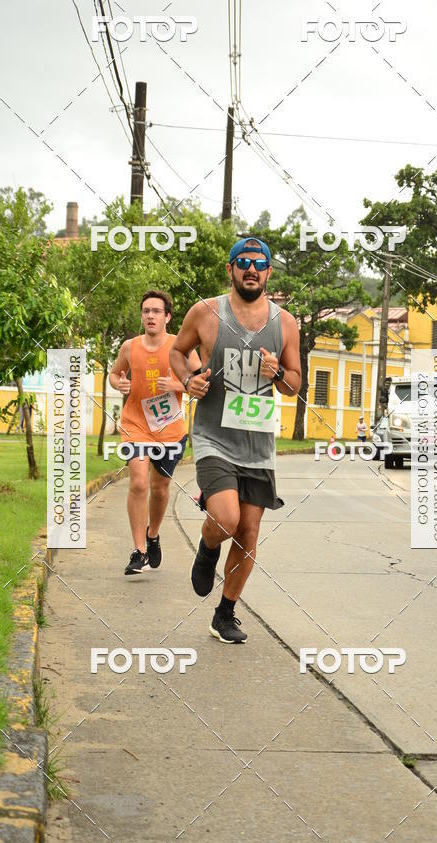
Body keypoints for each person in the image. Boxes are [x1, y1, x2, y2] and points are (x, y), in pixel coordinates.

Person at [170, 237, 301, 643]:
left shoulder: (285, 324)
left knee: (247, 532)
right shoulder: (207, 312)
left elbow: (294, 386)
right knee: (225, 519)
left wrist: (278, 372)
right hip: (213, 436)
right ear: (230, 269)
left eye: (258, 263)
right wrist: (189, 380)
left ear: (268, 273)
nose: (250, 269)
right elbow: (177, 351)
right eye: (242, 262)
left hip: (258, 445)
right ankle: (208, 548)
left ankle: (224, 614)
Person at [109, 290, 201, 575]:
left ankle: (153, 535)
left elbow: (200, 380)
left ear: (167, 317)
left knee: (160, 489)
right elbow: (114, 374)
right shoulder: (129, 347)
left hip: (170, 429)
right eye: (146, 311)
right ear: (142, 316)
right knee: (138, 482)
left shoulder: (180, 347)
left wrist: (177, 386)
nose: (150, 315)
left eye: (156, 311)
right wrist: (119, 385)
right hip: (136, 424)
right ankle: (138, 551)